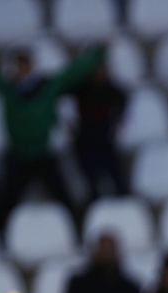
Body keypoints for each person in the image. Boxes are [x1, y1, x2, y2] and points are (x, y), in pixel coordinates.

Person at [0, 46, 103, 217]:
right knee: (4, 204)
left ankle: (77, 228)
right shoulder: (6, 88)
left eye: (25, 65)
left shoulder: (47, 87)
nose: (22, 70)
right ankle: (0, 235)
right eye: (19, 65)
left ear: (32, 66)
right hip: (18, 156)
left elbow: (74, 73)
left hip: (42, 154)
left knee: (66, 200)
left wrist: (99, 54)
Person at [71, 58, 129, 200]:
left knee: (118, 180)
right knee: (92, 182)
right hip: (85, 141)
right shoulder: (81, 89)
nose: (101, 73)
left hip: (105, 139)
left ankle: (125, 205)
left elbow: (123, 99)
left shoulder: (110, 89)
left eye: (103, 70)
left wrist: (117, 120)